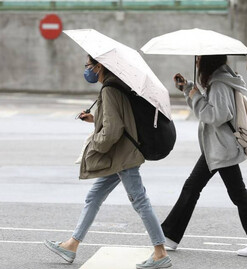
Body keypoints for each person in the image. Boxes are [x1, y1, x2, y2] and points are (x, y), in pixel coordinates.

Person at [44, 55, 172, 269]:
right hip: (121, 154)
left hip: (122, 155)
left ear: (99, 66)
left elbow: (113, 130)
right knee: (94, 196)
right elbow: (119, 119)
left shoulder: (110, 89)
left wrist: (96, 145)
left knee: (139, 200)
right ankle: (71, 245)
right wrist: (94, 120)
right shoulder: (116, 85)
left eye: (88, 65)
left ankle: (160, 253)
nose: (86, 69)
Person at [161, 55, 247, 257]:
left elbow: (216, 115)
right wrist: (189, 88)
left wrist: (194, 95)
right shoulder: (221, 78)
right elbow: (212, 105)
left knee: (232, 192)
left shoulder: (219, 83)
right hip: (217, 147)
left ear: (208, 61)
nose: (197, 62)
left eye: (199, 59)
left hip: (221, 148)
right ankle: (169, 235)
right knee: (195, 187)